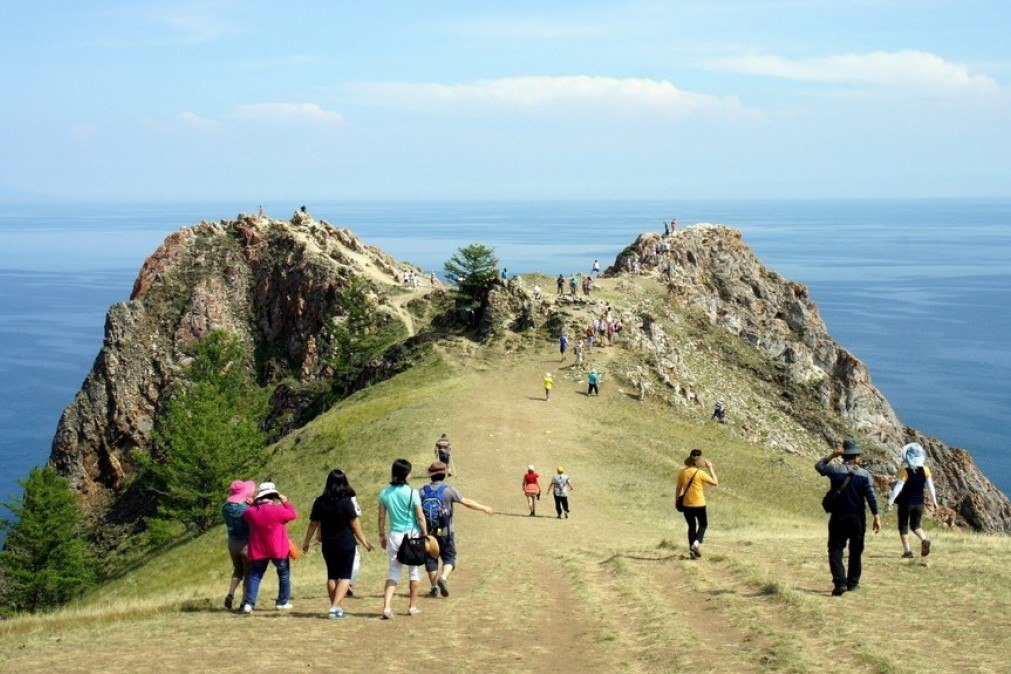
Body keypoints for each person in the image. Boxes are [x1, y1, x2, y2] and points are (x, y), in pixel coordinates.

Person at [301, 469, 374, 618]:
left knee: (332, 575)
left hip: (328, 544)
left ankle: (336, 608)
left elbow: (312, 524)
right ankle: (335, 607)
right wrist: (364, 542)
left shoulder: (320, 501)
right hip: (346, 543)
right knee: (346, 576)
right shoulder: (346, 501)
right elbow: (354, 524)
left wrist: (306, 541)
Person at [816, 439, 882, 596]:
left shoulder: (835, 470)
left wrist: (833, 454)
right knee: (856, 550)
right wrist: (876, 516)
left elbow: (819, 466)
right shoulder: (865, 475)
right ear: (856, 457)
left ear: (844, 455)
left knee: (835, 548)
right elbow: (871, 497)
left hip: (838, 517)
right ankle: (852, 583)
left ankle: (840, 583)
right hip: (857, 518)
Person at [420, 461, 494, 598]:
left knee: (431, 559)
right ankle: (443, 577)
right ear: (444, 475)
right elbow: (466, 502)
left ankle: (434, 586)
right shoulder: (449, 490)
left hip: (428, 534)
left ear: (431, 475)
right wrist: (483, 507)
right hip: (446, 532)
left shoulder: (422, 491)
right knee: (449, 558)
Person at [378, 459, 429, 619]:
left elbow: (381, 517)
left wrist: (381, 535)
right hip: (412, 535)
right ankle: (412, 606)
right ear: (406, 474)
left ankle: (386, 607)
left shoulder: (384, 493)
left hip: (394, 535)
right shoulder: (413, 493)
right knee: (414, 572)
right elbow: (420, 517)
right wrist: (426, 533)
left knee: (393, 571)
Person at [240, 481, 298, 613]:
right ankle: (282, 602)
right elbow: (293, 514)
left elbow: (245, 514)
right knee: (283, 574)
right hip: (278, 549)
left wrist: (254, 503)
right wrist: (285, 502)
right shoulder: (278, 510)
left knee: (255, 576)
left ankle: (249, 604)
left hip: (258, 549)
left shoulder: (252, 512)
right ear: (273, 496)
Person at [886, 442, 937, 558]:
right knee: (916, 525)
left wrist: (889, 502)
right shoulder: (926, 470)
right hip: (919, 503)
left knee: (903, 526)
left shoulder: (906, 471)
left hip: (906, 503)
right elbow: (931, 487)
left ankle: (907, 551)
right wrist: (935, 502)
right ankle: (924, 540)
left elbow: (898, 488)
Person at [675, 450, 718, 559]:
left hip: (686, 504)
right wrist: (711, 468)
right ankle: (696, 544)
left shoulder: (682, 472)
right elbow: (715, 483)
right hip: (699, 503)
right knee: (703, 525)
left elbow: (678, 488)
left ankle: (693, 552)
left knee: (691, 526)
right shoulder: (700, 473)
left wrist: (676, 501)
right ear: (699, 462)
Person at [222, 479, 255, 610]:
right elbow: (254, 520)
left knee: (237, 570)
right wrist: (253, 506)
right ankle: (244, 602)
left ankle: (230, 593)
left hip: (232, 543)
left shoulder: (225, 508)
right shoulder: (246, 509)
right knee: (248, 573)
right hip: (246, 544)